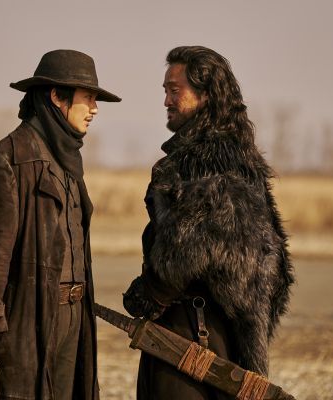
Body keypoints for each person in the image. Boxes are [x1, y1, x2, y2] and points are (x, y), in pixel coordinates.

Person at [122, 46, 294, 399]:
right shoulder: (238, 156)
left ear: (206, 94)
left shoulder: (206, 160)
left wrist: (149, 294)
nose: (167, 101)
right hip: (207, 330)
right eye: (165, 91)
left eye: (175, 91)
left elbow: (191, 246)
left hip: (194, 333)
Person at [0, 49, 121, 400]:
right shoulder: (9, 158)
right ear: (56, 97)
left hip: (75, 317)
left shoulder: (67, 159)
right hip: (29, 317)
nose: (95, 108)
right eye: (88, 98)